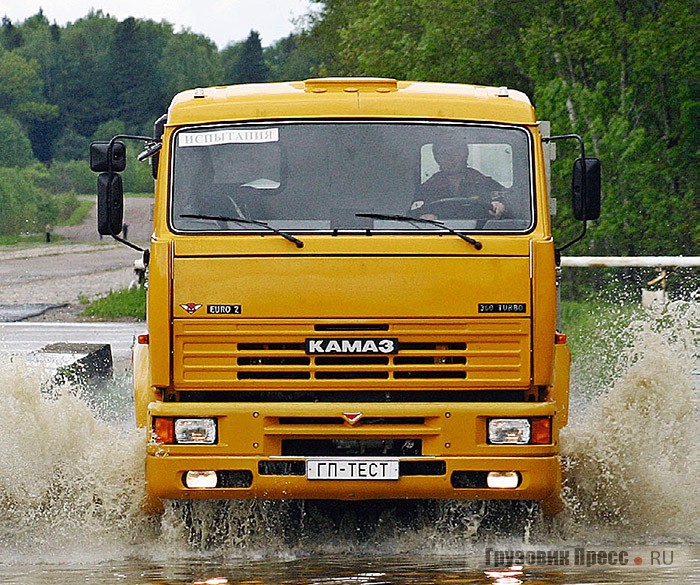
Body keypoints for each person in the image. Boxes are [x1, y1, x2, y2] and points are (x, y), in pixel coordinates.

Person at [409, 141, 508, 220]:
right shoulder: (427, 188)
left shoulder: (484, 183)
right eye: (443, 153)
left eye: (455, 152)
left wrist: (500, 206)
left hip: (482, 237)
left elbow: (512, 207)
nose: (450, 158)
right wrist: (423, 217)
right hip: (438, 238)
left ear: (465, 154)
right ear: (436, 158)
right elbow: (412, 213)